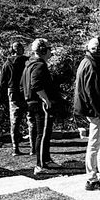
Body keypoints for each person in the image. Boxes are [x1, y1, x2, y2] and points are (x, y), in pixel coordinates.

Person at [74, 36, 100, 191]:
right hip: (95, 110)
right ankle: (91, 179)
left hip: (93, 109)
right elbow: (94, 94)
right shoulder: (92, 65)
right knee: (95, 143)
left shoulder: (88, 62)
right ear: (97, 50)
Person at [21, 38, 63, 174]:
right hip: (40, 104)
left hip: (32, 103)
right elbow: (36, 84)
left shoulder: (30, 64)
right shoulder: (39, 65)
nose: (51, 51)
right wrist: (46, 99)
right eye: (49, 49)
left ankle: (46, 160)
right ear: (43, 50)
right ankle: (40, 165)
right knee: (42, 134)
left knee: (43, 133)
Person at [0, 40, 28, 156]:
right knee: (31, 118)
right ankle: (33, 148)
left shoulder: (7, 63)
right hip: (26, 90)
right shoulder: (27, 61)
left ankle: (15, 147)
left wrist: (2, 96)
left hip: (13, 91)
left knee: (14, 120)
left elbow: (2, 82)